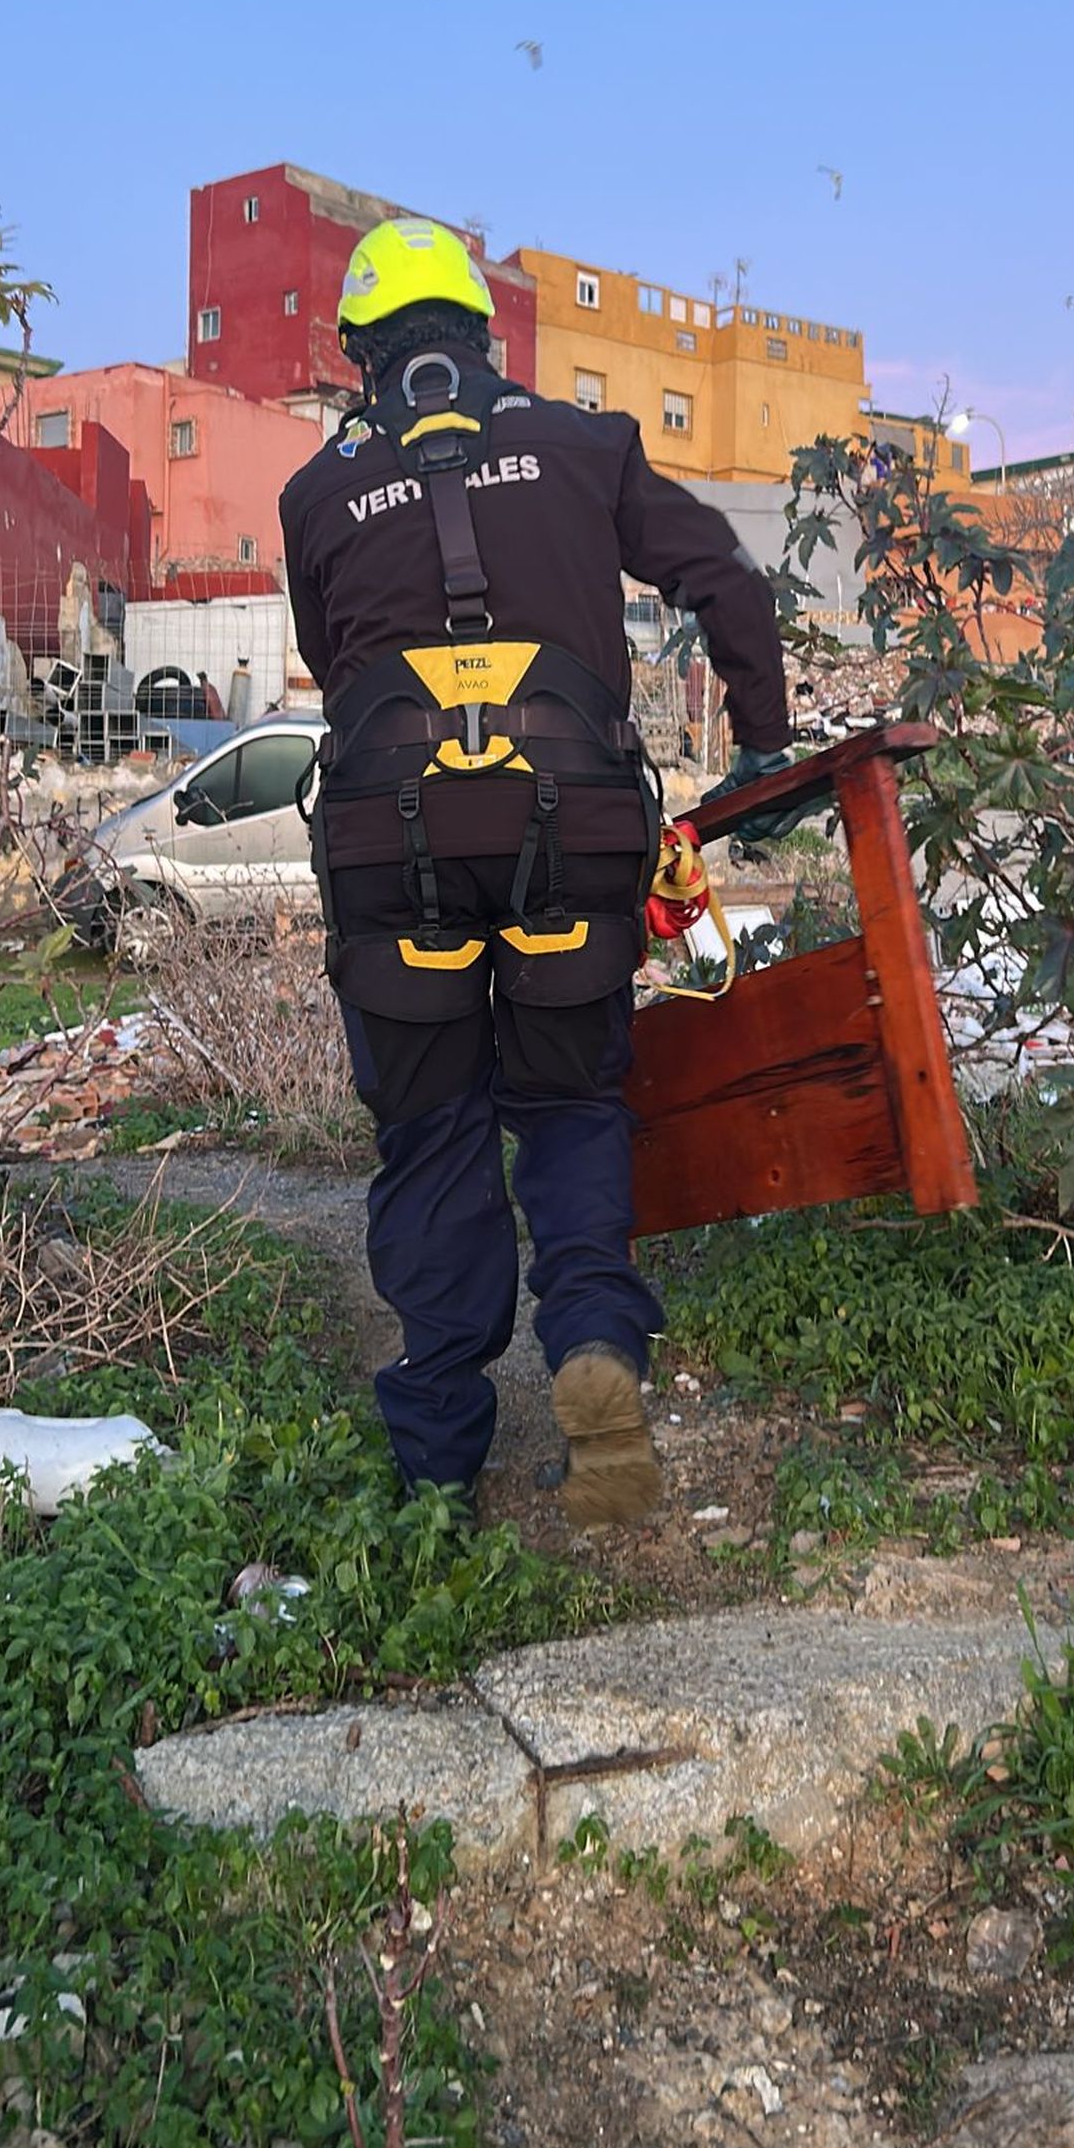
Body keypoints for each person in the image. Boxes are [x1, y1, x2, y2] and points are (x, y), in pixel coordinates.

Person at [279, 219, 794, 1528]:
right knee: (569, 1110)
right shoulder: (585, 442)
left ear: (361, 354)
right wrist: (765, 743)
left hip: (390, 848)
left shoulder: (319, 489)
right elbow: (726, 580)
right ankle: (591, 1349)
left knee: (433, 1132)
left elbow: (331, 656)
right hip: (575, 828)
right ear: (480, 334)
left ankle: (441, 1461)